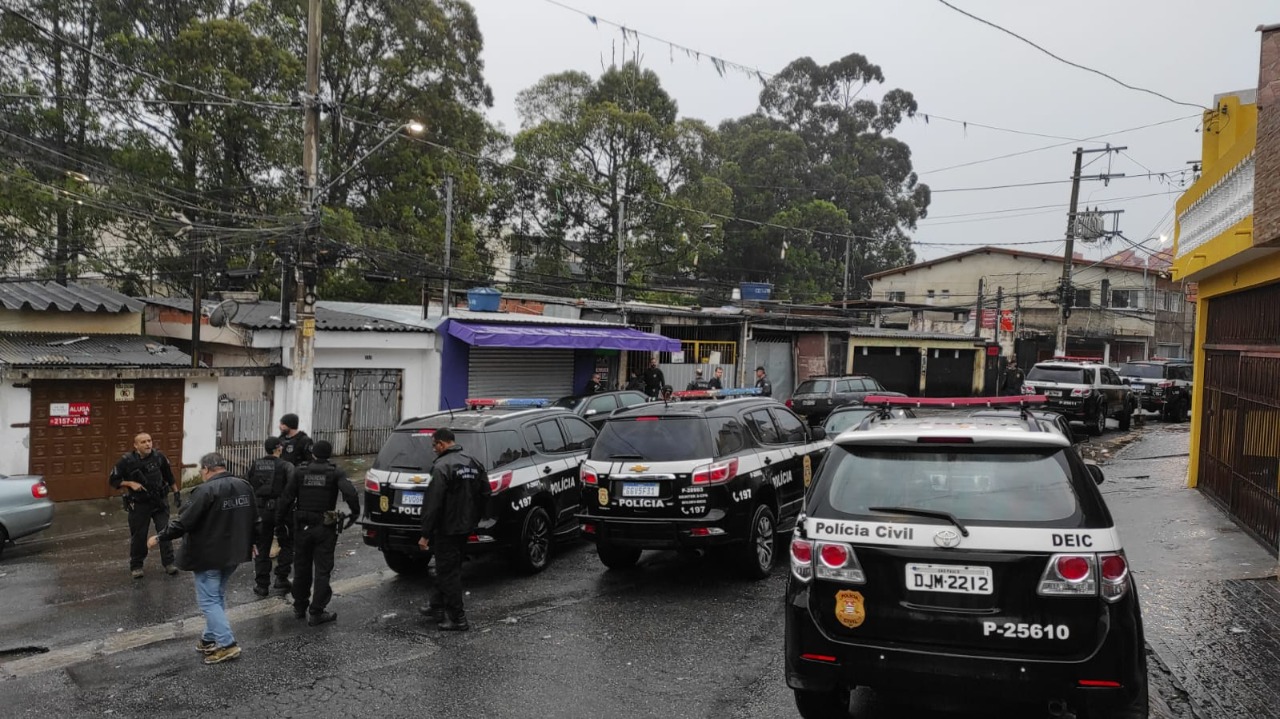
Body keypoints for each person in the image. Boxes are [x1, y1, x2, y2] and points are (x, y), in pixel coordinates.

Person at [149, 452, 256, 665]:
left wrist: (160, 537)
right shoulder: (244, 486)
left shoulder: (205, 490)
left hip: (209, 555)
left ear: (206, 469)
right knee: (216, 596)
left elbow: (184, 522)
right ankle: (209, 639)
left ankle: (227, 644)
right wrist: (253, 542)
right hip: (234, 552)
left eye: (201, 471)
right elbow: (254, 517)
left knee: (208, 600)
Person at [276, 440, 360, 626]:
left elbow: (287, 497)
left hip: (302, 526)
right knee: (322, 570)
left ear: (313, 453)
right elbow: (351, 493)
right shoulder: (335, 472)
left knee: (301, 567)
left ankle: (299, 607)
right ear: (329, 454)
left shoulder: (300, 471)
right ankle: (316, 611)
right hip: (325, 526)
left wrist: (280, 521)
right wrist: (355, 513)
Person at [417, 428, 490, 631]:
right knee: (449, 567)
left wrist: (425, 534)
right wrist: (475, 518)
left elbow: (433, 503)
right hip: (465, 527)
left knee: (448, 573)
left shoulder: (441, 467)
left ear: (441, 444)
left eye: (434, 445)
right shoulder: (473, 462)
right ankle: (436, 605)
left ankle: (458, 618)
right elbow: (486, 493)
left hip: (447, 529)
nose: (433, 450)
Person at [109, 432, 180, 579]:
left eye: (149, 441)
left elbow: (169, 476)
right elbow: (113, 480)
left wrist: (176, 493)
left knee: (165, 532)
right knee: (139, 536)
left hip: (159, 502)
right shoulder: (126, 461)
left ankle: (169, 563)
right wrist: (129, 483)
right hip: (140, 504)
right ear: (136, 446)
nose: (148, 444)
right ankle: (136, 566)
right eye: (143, 442)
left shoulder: (159, 457)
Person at [247, 437, 295, 597]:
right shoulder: (286, 466)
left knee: (262, 547)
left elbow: (249, 485)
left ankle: (262, 586)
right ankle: (281, 578)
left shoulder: (255, 464)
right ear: (279, 448)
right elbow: (293, 489)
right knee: (287, 543)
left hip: (260, 511)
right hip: (281, 511)